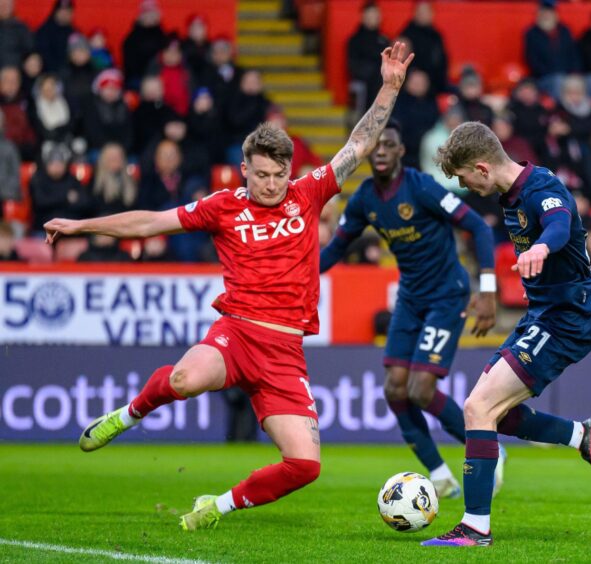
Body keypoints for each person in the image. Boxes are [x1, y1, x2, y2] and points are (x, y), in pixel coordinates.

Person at [44, 41, 415, 531]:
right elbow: (149, 224)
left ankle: (214, 507)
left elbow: (360, 144)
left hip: (285, 351)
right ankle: (128, 415)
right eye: (261, 175)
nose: (271, 184)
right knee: (183, 380)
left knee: (305, 466)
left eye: (279, 175)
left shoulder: (308, 193)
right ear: (244, 169)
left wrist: (389, 88)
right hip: (237, 333)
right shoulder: (223, 206)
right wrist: (80, 226)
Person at [422, 121, 591, 547]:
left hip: (566, 320)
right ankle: (583, 436)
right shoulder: (512, 193)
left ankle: (475, 528)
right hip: (545, 316)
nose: (463, 186)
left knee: (477, 407)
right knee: (498, 415)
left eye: (461, 178)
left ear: (481, 167)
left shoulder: (541, 187)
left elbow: (559, 222)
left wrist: (542, 247)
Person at [320, 119, 503, 498]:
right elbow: (336, 247)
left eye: (390, 144)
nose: (382, 150)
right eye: (377, 146)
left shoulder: (421, 187)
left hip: (446, 294)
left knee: (421, 389)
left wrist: (486, 290)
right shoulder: (365, 199)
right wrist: (298, 274)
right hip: (410, 298)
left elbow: (480, 229)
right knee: (394, 388)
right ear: (370, 153)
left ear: (402, 152)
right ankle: (438, 473)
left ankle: (489, 447)